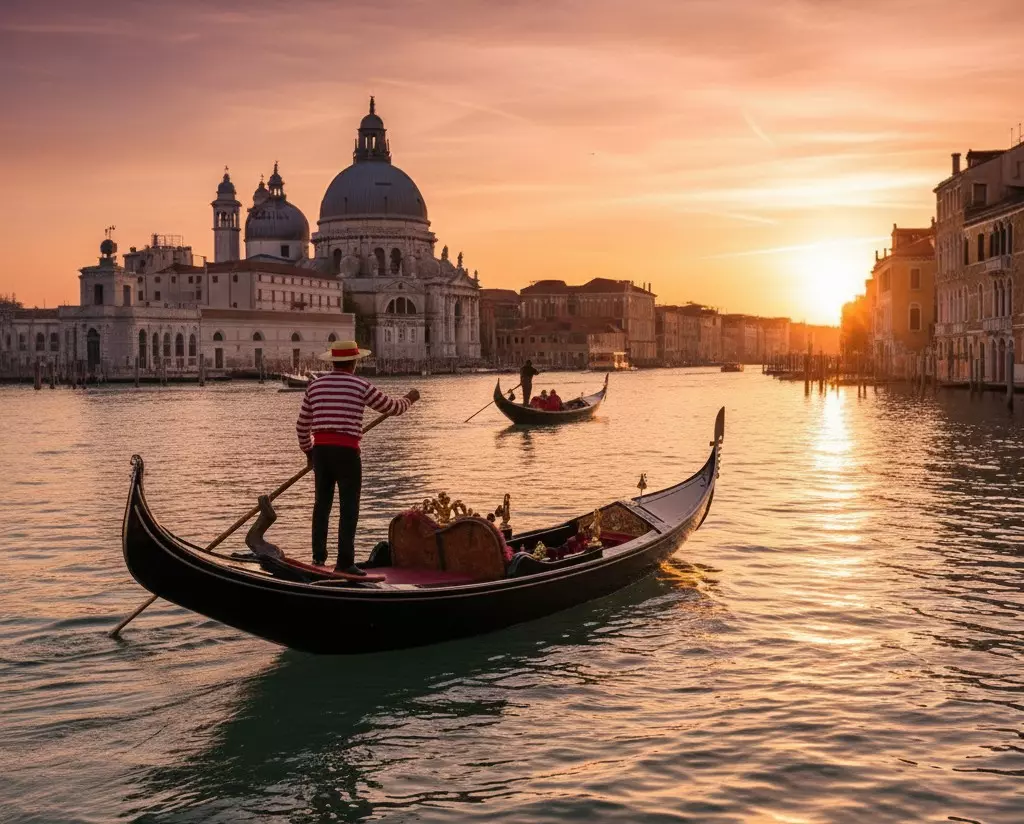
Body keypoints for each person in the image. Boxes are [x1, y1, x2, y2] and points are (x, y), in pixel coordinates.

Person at [296, 341, 419, 575]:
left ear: (333, 362)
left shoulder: (315, 386)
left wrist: (309, 452)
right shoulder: (360, 385)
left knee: (321, 505)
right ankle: (345, 563)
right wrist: (410, 399)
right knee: (348, 508)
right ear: (354, 362)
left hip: (321, 452)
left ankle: (318, 559)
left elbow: (302, 426)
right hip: (347, 453)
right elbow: (392, 407)